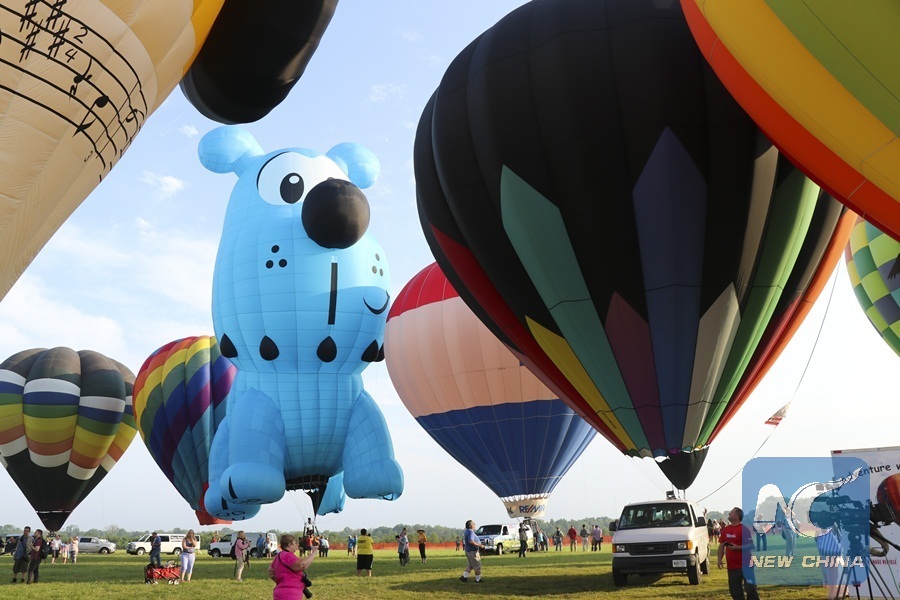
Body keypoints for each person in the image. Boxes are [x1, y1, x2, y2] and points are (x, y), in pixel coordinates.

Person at [718, 507, 759, 600]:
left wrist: (738, 548)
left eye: (732, 512)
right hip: (732, 567)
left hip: (746, 565)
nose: (729, 513)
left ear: (737, 516)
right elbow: (721, 545)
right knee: (735, 592)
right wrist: (719, 559)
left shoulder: (743, 529)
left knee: (750, 589)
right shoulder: (726, 530)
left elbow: (751, 545)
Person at [268, 534, 317, 600]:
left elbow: (270, 571)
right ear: (289, 544)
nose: (297, 545)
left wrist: (282, 581)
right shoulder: (288, 555)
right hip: (290, 594)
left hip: (280, 593)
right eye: (295, 543)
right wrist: (314, 553)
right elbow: (302, 565)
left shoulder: (279, 556)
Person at [459, 519, 485, 583]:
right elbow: (471, 541)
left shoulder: (467, 531)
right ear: (470, 525)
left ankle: (464, 577)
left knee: (471, 565)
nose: (475, 525)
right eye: (473, 524)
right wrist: (480, 545)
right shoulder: (470, 532)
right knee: (477, 566)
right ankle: (478, 580)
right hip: (472, 551)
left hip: (468, 551)